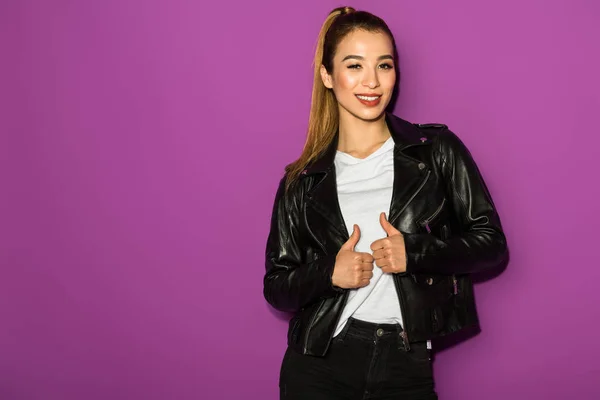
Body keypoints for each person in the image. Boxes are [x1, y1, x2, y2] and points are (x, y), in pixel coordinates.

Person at [263, 6, 508, 400]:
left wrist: (416, 251)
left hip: (405, 362)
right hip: (319, 365)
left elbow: (491, 243)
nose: (372, 81)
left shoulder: (436, 151)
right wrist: (330, 272)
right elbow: (277, 286)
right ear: (328, 76)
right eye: (355, 65)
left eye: (385, 65)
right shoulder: (301, 181)